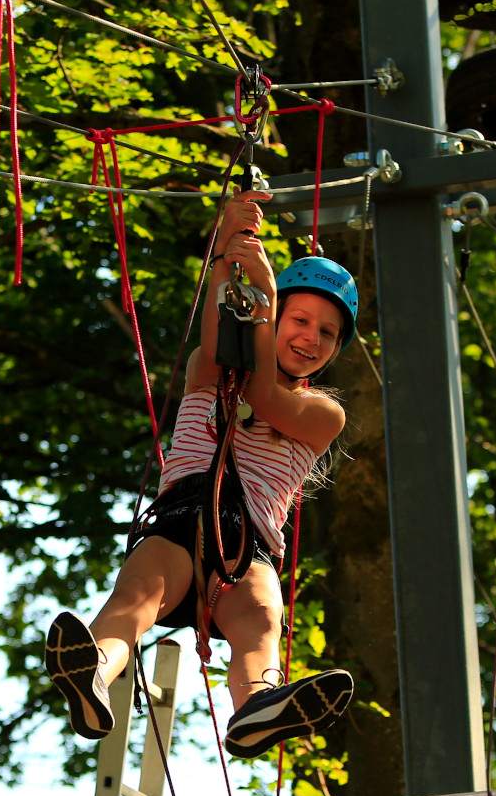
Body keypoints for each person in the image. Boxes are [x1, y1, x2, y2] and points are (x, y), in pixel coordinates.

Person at [45, 188, 357, 759]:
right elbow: (222, 334)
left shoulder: (323, 414)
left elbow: (263, 392)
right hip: (181, 520)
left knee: (261, 616)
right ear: (273, 317)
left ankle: (258, 704)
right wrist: (228, 256)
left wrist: (263, 292)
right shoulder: (206, 369)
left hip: (249, 545)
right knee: (136, 597)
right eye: (301, 319)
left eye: (328, 333)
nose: (311, 338)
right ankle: (96, 670)